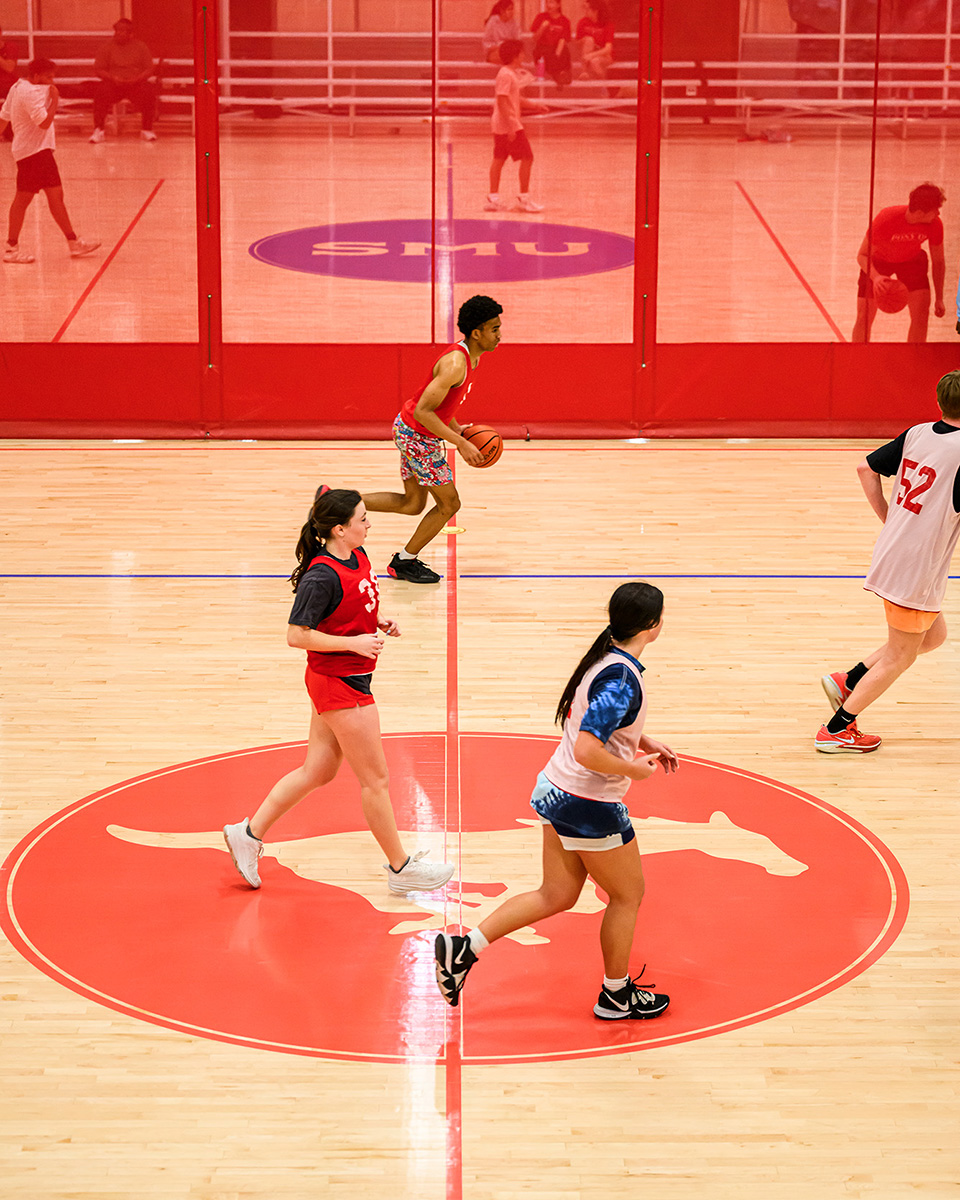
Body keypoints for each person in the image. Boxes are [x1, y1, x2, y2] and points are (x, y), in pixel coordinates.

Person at [435, 581, 677, 1020]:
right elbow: (588, 748)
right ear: (653, 625)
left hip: (556, 789)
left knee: (557, 894)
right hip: (588, 804)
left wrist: (641, 739)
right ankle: (616, 995)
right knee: (628, 895)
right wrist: (634, 769)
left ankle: (463, 949)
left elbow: (595, 723)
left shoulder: (605, 657)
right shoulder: (623, 679)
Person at [223, 488, 454, 893]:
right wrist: (353, 643)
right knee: (376, 781)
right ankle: (401, 870)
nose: (369, 523)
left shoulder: (358, 554)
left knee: (318, 771)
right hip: (339, 683)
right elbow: (297, 635)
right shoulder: (320, 576)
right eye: (363, 519)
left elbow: (353, 602)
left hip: (342, 677)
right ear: (339, 529)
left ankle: (248, 834)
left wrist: (377, 619)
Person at [816, 370, 960, 753]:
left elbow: (867, 467)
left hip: (897, 552)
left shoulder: (919, 433)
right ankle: (837, 728)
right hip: (917, 565)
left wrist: (888, 515)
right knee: (901, 656)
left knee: (934, 636)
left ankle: (850, 679)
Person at [348, 295, 503, 585]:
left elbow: (444, 407)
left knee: (412, 504)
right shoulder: (457, 363)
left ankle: (335, 501)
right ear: (476, 332)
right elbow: (424, 411)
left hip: (412, 431)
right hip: (418, 436)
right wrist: (461, 442)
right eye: (494, 328)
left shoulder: (472, 356)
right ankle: (404, 562)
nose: (499, 335)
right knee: (449, 504)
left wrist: (459, 429)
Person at [0, 59, 100, 265]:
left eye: (53, 77)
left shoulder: (17, 86)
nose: (51, 82)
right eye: (47, 77)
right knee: (22, 200)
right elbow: (44, 123)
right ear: (35, 76)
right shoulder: (30, 93)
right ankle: (11, 249)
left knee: (56, 197)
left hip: (41, 153)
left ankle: (73, 242)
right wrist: (55, 100)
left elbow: (4, 117)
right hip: (31, 154)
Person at [851, 182, 947, 344]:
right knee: (863, 317)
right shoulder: (886, 219)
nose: (938, 213)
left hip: (912, 261)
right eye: (934, 210)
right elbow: (861, 256)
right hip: (879, 262)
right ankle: (858, 359)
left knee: (921, 315)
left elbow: (939, 262)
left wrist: (939, 298)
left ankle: (913, 360)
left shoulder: (935, 224)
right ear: (919, 213)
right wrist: (876, 278)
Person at [485, 40, 547, 215]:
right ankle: (524, 199)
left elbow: (514, 98)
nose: (523, 56)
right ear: (515, 55)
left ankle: (493, 199)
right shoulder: (506, 75)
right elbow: (502, 101)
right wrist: (512, 125)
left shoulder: (508, 73)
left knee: (499, 159)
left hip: (501, 123)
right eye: (521, 53)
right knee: (527, 158)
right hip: (508, 123)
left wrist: (535, 106)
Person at [90, 18, 157, 143]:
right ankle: (98, 130)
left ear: (131, 33)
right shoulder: (106, 47)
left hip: (135, 83)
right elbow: (99, 69)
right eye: (118, 30)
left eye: (124, 31)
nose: (120, 33)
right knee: (101, 91)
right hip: (113, 83)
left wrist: (137, 79)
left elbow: (149, 69)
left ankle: (147, 129)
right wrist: (112, 78)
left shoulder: (141, 47)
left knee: (148, 92)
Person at [532, 0, 573, 87]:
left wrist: (556, 57)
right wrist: (542, 28)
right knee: (545, 53)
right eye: (547, 2)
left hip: (556, 51)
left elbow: (563, 40)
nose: (548, 5)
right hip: (542, 49)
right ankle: (559, 76)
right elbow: (535, 39)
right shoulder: (541, 17)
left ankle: (560, 74)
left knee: (565, 51)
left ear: (558, 5)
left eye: (551, 2)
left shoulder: (564, 21)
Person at [576, 1, 615, 80]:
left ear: (595, 10)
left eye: (588, 9)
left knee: (595, 61)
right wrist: (584, 40)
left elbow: (608, 49)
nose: (585, 11)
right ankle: (584, 72)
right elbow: (577, 43)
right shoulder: (583, 22)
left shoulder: (607, 24)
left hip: (603, 55)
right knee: (589, 40)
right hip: (586, 53)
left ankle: (603, 86)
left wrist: (591, 55)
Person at [482, 0, 522, 65]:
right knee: (506, 58)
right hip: (495, 52)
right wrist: (499, 46)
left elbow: (518, 42)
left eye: (512, 9)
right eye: (509, 9)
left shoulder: (515, 23)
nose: (512, 12)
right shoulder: (492, 22)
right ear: (502, 11)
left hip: (510, 53)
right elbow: (486, 44)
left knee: (514, 57)